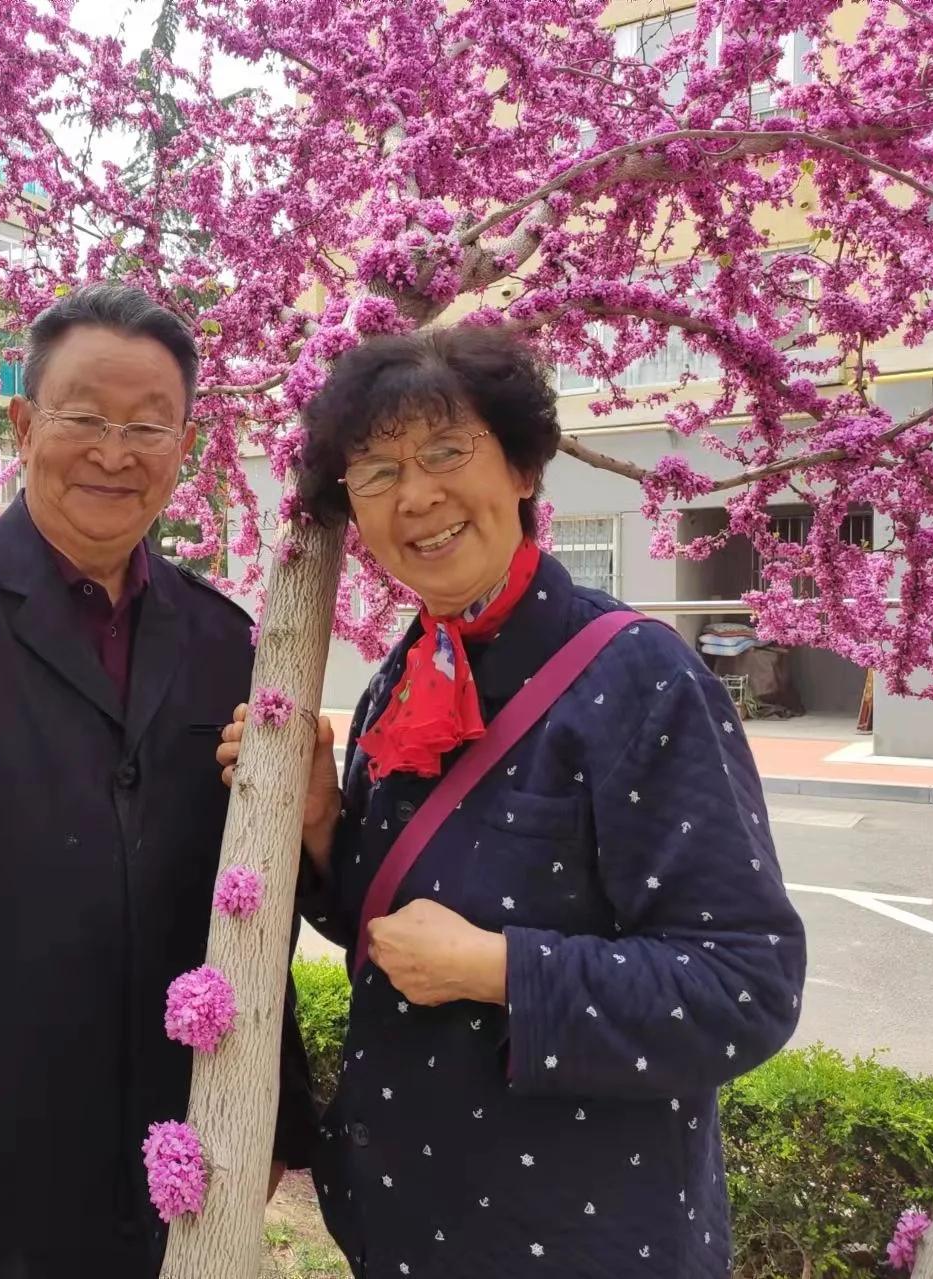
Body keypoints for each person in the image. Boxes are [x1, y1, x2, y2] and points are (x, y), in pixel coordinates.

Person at [217, 326, 806, 1277]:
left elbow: (746, 986)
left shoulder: (642, 678)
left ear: (525, 466)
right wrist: (321, 825)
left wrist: (499, 968)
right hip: (403, 1233)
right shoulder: (406, 676)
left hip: (582, 1244)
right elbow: (392, 929)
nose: (416, 496)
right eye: (377, 472)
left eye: (447, 451)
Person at [0, 284, 316, 1278]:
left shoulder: (226, 642)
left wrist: (273, 1112)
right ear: (21, 425)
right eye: (83, 417)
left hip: (175, 1163)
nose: (113, 452)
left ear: (185, 446)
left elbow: (256, 905)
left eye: (148, 426)